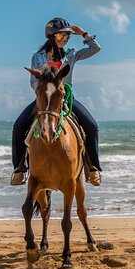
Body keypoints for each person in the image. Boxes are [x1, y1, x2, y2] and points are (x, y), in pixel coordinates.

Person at [11, 17, 103, 186]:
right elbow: (33, 81)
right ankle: (19, 169)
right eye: (62, 35)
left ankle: (93, 168)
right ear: (51, 36)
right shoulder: (37, 57)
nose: (65, 38)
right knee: (18, 127)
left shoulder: (72, 54)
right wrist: (46, 93)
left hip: (66, 98)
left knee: (91, 125)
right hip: (44, 100)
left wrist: (83, 33)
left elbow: (95, 49)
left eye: (67, 36)